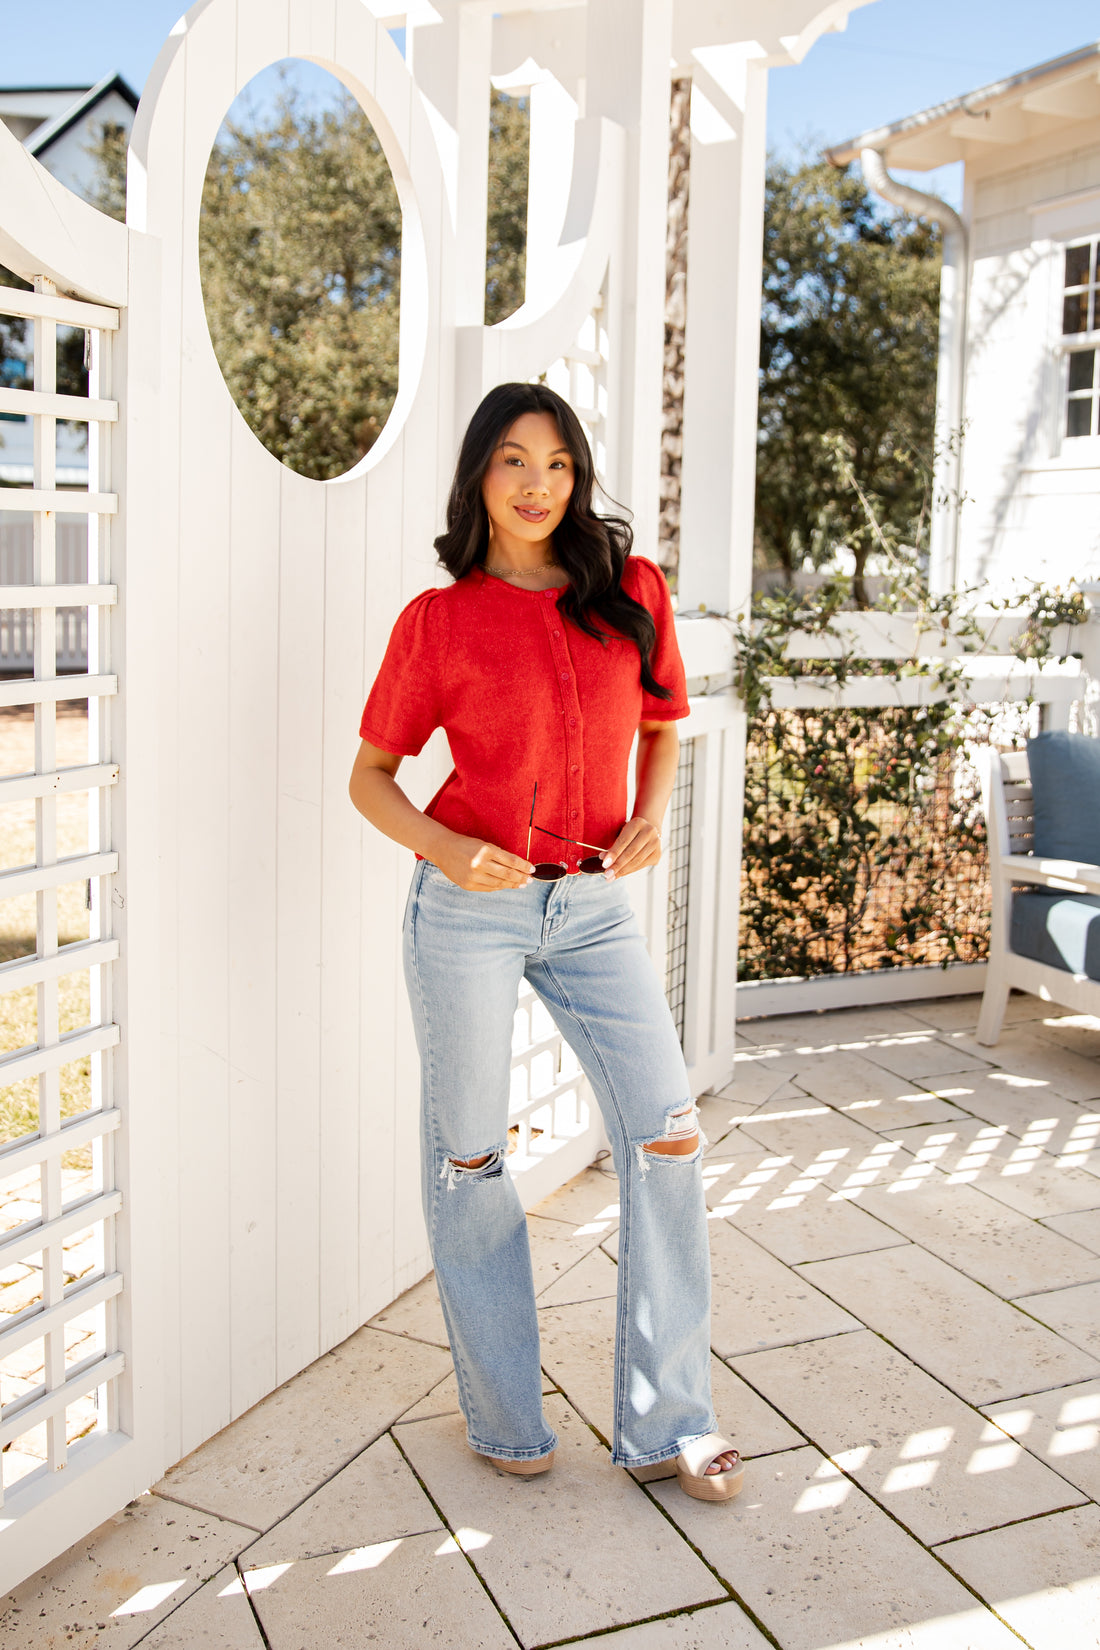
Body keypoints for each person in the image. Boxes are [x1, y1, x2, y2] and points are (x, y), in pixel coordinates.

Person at [348, 382, 742, 1502]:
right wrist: (441, 847)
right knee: (471, 1158)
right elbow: (368, 781)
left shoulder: (628, 591)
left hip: (594, 909)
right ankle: (505, 1419)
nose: (537, 484)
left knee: (664, 1132)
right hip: (468, 907)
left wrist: (653, 814)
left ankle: (668, 1422)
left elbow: (662, 725)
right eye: (514, 461)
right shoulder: (439, 621)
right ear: (479, 475)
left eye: (559, 463)